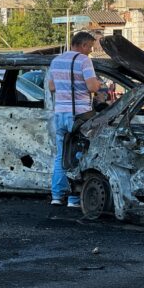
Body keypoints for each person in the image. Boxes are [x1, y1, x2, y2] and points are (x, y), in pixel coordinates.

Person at [48, 31, 100, 207]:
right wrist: (100, 85)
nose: (90, 51)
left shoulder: (56, 61)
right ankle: (73, 198)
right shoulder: (84, 61)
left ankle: (56, 196)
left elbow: (52, 86)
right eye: (90, 47)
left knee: (61, 155)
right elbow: (92, 86)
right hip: (79, 116)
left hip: (60, 113)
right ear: (83, 45)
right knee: (78, 156)